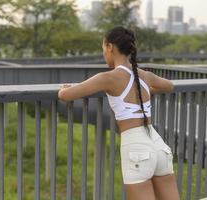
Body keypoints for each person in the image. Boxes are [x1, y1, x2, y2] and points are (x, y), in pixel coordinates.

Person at [58, 26, 180, 200]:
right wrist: (145, 94)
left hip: (137, 150)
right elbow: (169, 86)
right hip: (158, 144)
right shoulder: (144, 75)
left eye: (103, 49)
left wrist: (63, 89)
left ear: (110, 47)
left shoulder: (107, 78)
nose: (103, 55)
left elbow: (65, 96)